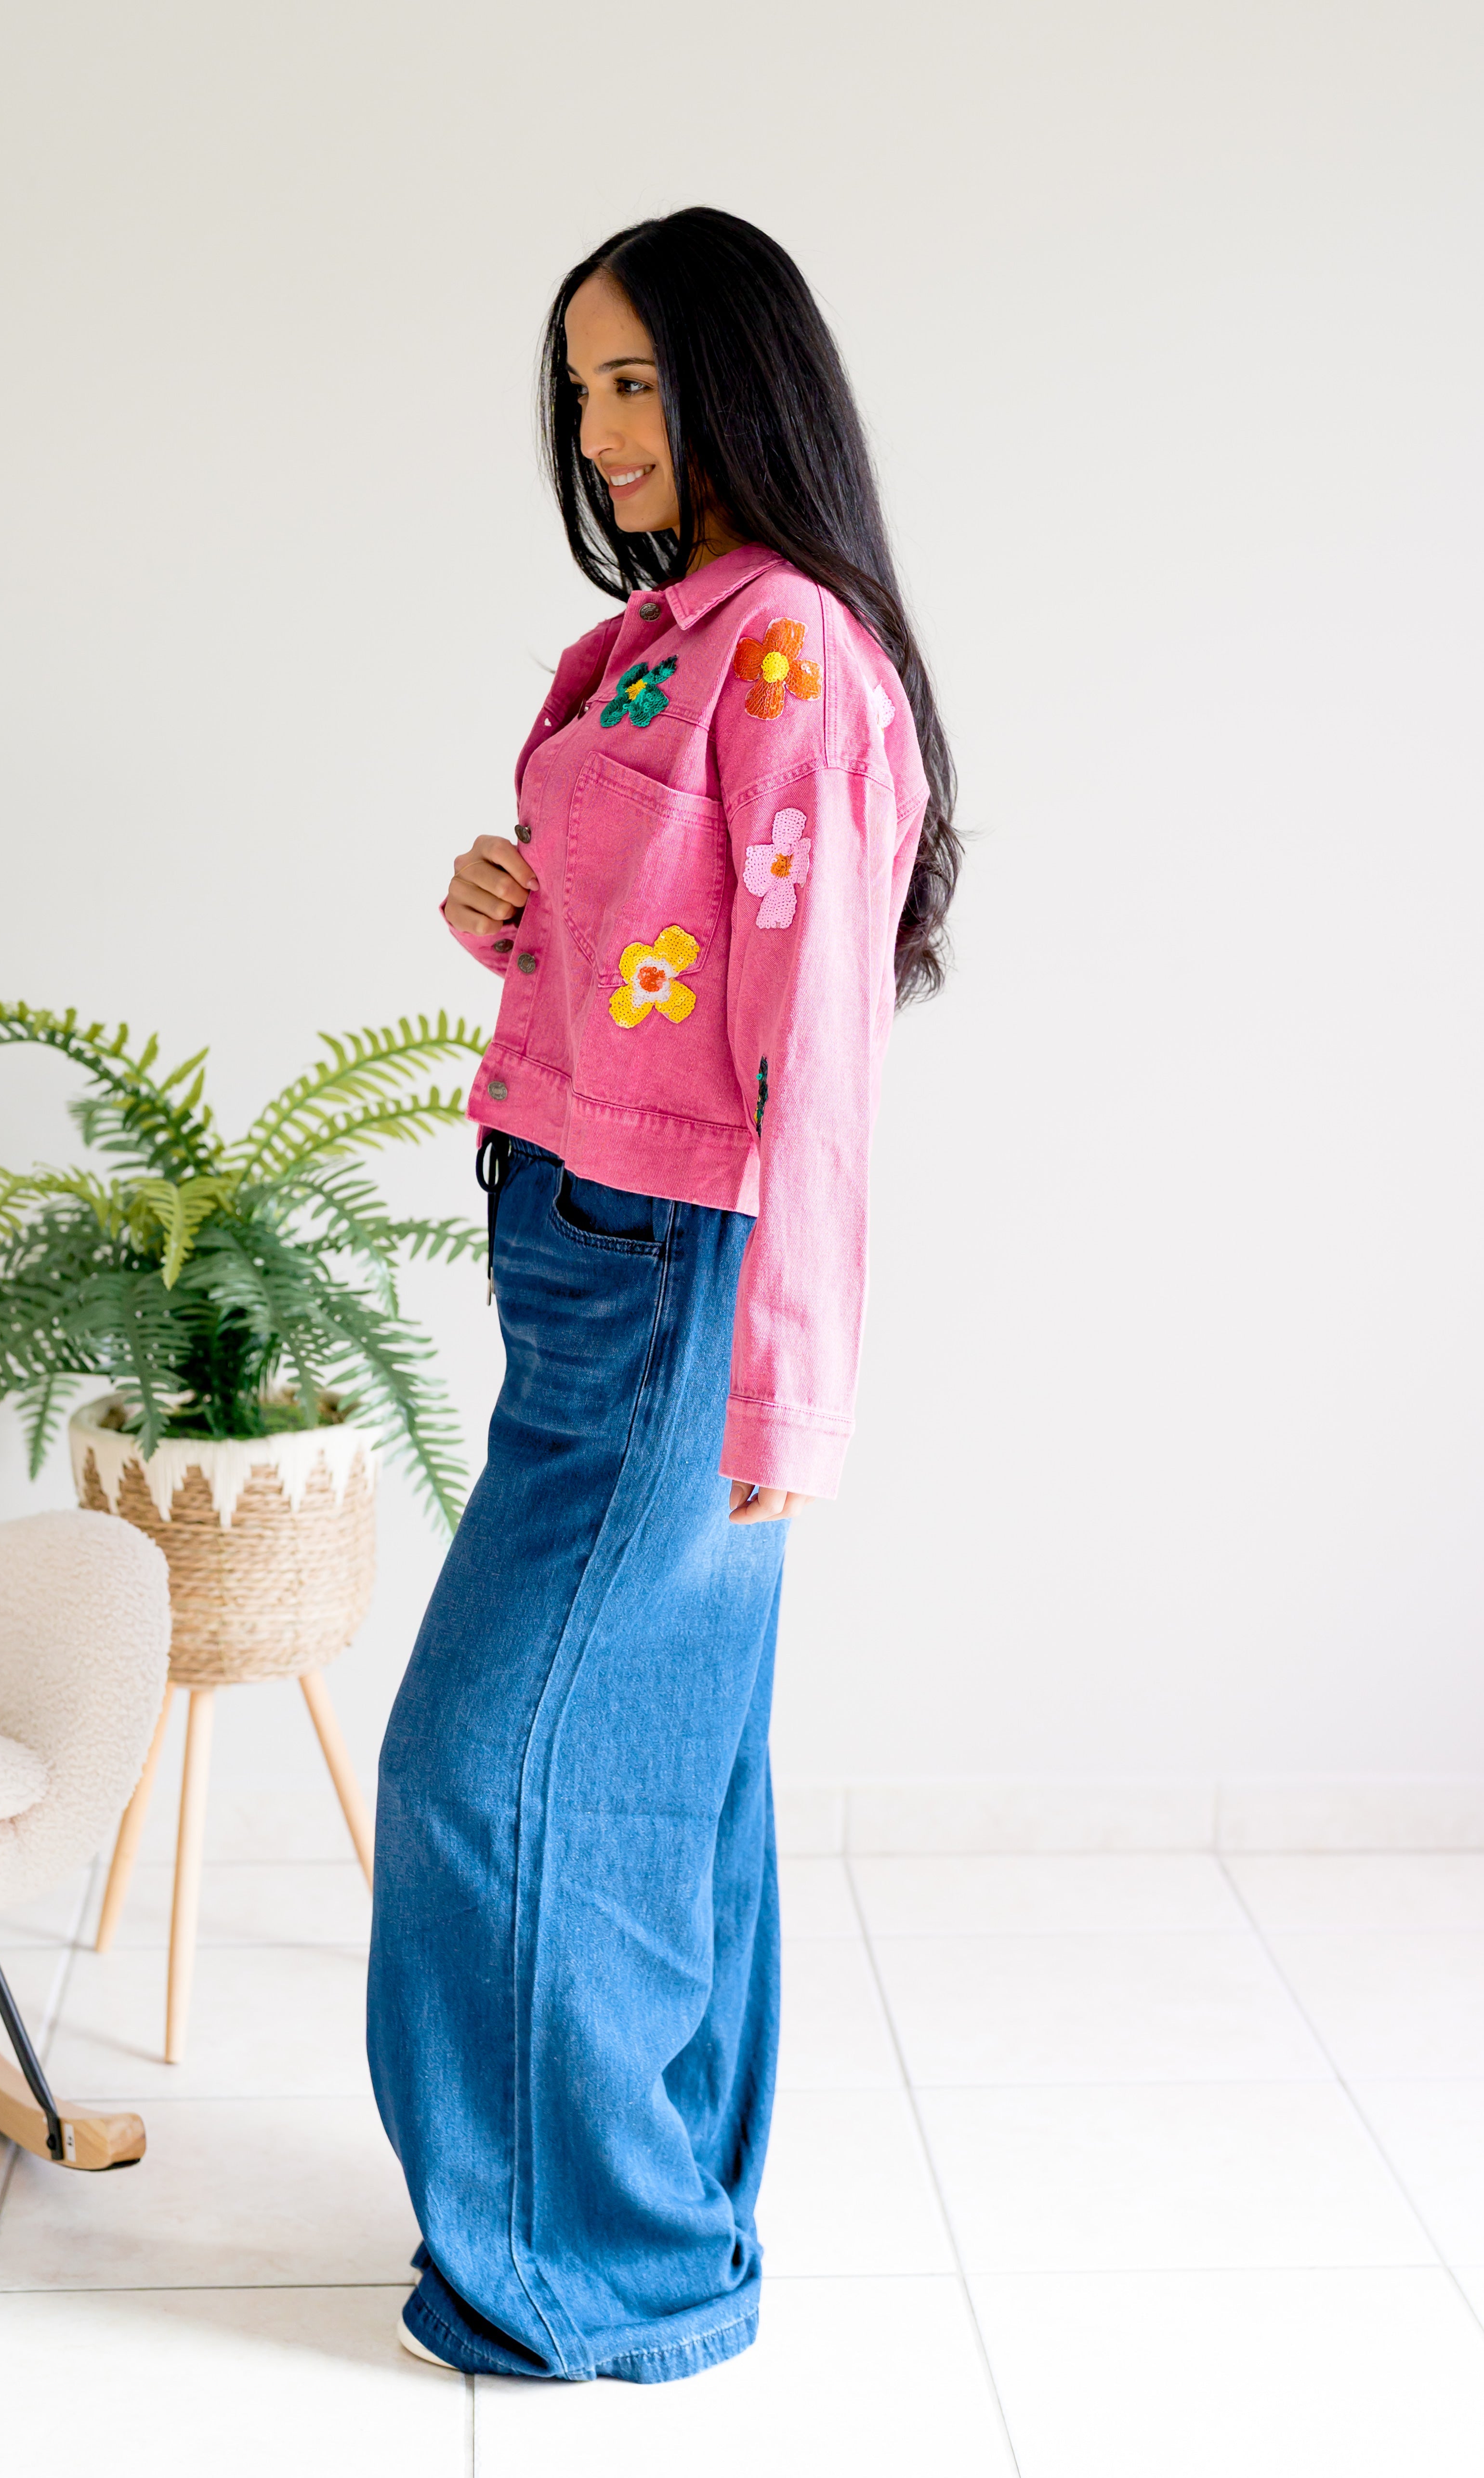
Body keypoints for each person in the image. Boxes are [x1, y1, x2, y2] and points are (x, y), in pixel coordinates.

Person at [367, 205, 958, 2385]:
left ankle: (586, 2271)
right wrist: (506, 910)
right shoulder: (645, 642)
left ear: (739, 381)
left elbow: (816, 1060)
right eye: (583, 388)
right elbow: (653, 954)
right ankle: (655, 2239)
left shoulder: (790, 652)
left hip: (673, 1277)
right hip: (573, 1246)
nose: (605, 429)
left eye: (638, 380)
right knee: (651, 1763)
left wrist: (786, 1391)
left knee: (487, 1771)